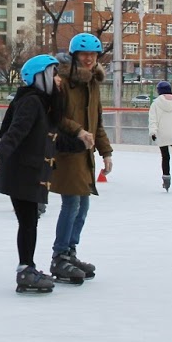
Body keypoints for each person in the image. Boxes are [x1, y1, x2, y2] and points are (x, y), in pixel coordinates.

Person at [0, 55, 68, 294]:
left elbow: (51, 138)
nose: (58, 79)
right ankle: (25, 271)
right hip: (21, 171)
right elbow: (15, 131)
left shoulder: (42, 102)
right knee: (28, 221)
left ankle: (27, 268)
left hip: (28, 170)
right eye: (54, 74)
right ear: (40, 77)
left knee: (29, 220)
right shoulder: (32, 101)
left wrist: (80, 142)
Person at [48, 33, 112, 284]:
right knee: (72, 203)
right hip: (67, 151)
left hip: (86, 153)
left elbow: (97, 121)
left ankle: (70, 251)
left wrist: (106, 151)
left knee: (82, 205)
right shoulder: (62, 82)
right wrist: (78, 131)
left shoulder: (92, 83)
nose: (89, 59)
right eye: (84, 54)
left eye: (93, 55)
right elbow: (55, 116)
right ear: (74, 56)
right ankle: (60, 255)